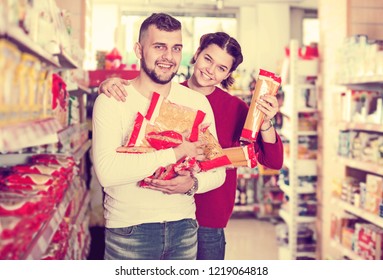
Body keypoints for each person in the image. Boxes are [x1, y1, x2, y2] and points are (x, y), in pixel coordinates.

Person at [98, 32, 284, 260]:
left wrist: (265, 123)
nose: (210, 70)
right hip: (167, 214)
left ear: (228, 74)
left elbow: (273, 161)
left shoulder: (235, 108)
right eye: (208, 59)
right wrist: (111, 83)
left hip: (208, 219)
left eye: (221, 68)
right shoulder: (166, 93)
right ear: (196, 54)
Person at [92, 13, 225, 260]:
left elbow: (218, 171)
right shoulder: (112, 100)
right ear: (139, 50)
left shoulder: (197, 103)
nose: (168, 56)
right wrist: (174, 153)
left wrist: (193, 185)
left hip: (184, 227)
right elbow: (107, 172)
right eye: (159, 47)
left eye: (176, 48)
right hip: (129, 230)